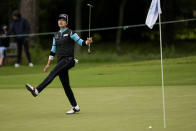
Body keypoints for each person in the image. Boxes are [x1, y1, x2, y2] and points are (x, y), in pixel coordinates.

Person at [26, 14, 93, 114]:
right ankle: (75, 107)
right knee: (66, 86)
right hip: (61, 61)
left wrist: (88, 42)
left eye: (63, 20)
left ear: (66, 22)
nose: (60, 21)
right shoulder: (56, 35)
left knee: (53, 73)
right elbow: (53, 50)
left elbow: (81, 42)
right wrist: (48, 64)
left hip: (69, 60)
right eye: (59, 20)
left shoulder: (71, 32)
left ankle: (37, 90)